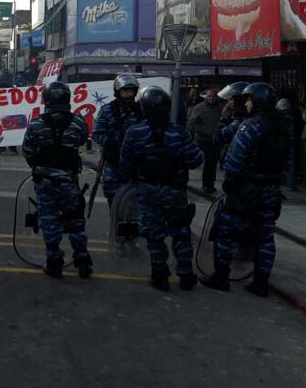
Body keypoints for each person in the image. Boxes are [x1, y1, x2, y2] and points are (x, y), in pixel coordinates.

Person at [202, 82, 290, 297]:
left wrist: (230, 183)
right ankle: (261, 282)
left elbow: (234, 159)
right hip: (271, 189)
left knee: (225, 230)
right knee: (265, 236)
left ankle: (221, 276)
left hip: (246, 189)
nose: (247, 104)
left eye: (249, 100)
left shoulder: (251, 126)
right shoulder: (282, 126)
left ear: (257, 101)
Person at [120, 87, 204, 291]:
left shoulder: (135, 132)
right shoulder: (179, 132)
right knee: (180, 231)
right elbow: (195, 159)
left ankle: (159, 273)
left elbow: (125, 164)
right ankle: (185, 273)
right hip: (174, 191)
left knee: (153, 233)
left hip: (147, 191)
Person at [22, 81, 93, 280]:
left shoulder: (37, 123)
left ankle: (54, 262)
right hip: (68, 180)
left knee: (49, 221)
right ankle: (82, 259)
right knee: (75, 221)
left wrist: (38, 167)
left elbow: (28, 151)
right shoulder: (78, 122)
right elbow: (81, 140)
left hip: (45, 181)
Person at [92, 74, 143, 206]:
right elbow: (97, 133)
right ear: (118, 91)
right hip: (114, 163)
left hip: (137, 163)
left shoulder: (141, 110)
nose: (128, 93)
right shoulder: (107, 110)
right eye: (125, 90)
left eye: (131, 90)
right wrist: (110, 143)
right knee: (113, 199)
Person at [188, 88, 222, 193]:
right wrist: (204, 131)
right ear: (206, 97)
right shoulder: (199, 108)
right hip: (204, 139)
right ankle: (207, 184)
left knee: (213, 162)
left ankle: (210, 183)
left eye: (213, 96)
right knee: (209, 161)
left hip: (216, 139)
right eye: (209, 96)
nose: (211, 98)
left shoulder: (220, 108)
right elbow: (191, 124)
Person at [276, 90, 303, 191]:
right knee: (291, 161)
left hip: (281, 137)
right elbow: (300, 124)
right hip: (292, 137)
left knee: (280, 160)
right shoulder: (294, 109)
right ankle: (292, 183)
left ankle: (282, 181)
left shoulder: (278, 108)